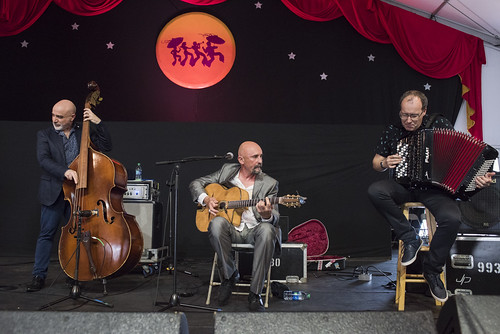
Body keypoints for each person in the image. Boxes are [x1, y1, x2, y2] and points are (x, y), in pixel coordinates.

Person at [367, 90, 495, 303]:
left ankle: (432, 270)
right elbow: (376, 162)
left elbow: (459, 160)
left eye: (414, 116)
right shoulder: (393, 130)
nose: (408, 120)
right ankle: (410, 238)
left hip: (435, 190)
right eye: (404, 115)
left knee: (452, 218)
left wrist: (478, 180)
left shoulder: (440, 125)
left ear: (424, 112)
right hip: (404, 186)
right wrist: (384, 163)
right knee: (375, 191)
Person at [27, 99, 112, 292]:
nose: (54, 119)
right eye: (53, 115)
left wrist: (98, 123)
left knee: (77, 236)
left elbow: (106, 146)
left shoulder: (84, 131)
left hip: (78, 194)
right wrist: (64, 171)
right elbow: (44, 160)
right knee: (46, 234)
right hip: (54, 193)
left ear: (72, 117)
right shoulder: (45, 135)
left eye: (60, 116)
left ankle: (74, 275)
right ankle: (38, 276)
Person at [189, 141, 280, 312]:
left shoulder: (270, 183)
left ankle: (255, 293)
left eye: (261, 156)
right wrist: (207, 199)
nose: (260, 160)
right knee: (216, 223)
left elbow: (275, 216)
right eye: (255, 157)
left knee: (268, 230)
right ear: (241, 159)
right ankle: (230, 276)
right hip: (231, 230)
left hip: (255, 230)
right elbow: (196, 183)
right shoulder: (226, 171)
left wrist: (267, 215)